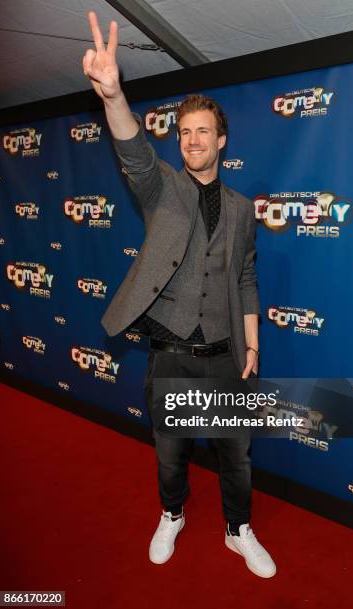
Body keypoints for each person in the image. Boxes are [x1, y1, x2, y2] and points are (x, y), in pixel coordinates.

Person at [83, 11, 276, 578]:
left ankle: (238, 530)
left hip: (226, 355)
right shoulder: (162, 188)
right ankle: (173, 514)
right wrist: (114, 95)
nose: (191, 140)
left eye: (202, 132)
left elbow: (244, 278)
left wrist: (253, 348)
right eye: (184, 131)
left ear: (221, 140)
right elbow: (134, 150)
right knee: (171, 454)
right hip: (169, 353)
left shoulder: (243, 209)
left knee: (236, 455)